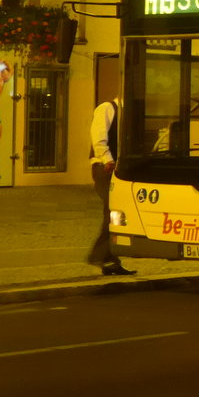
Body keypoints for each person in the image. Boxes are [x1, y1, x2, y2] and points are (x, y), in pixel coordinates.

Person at [87, 97, 135, 276]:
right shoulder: (107, 108)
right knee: (112, 212)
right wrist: (108, 160)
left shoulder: (127, 114)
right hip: (104, 168)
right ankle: (99, 256)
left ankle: (110, 259)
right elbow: (98, 137)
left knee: (115, 213)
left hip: (116, 168)